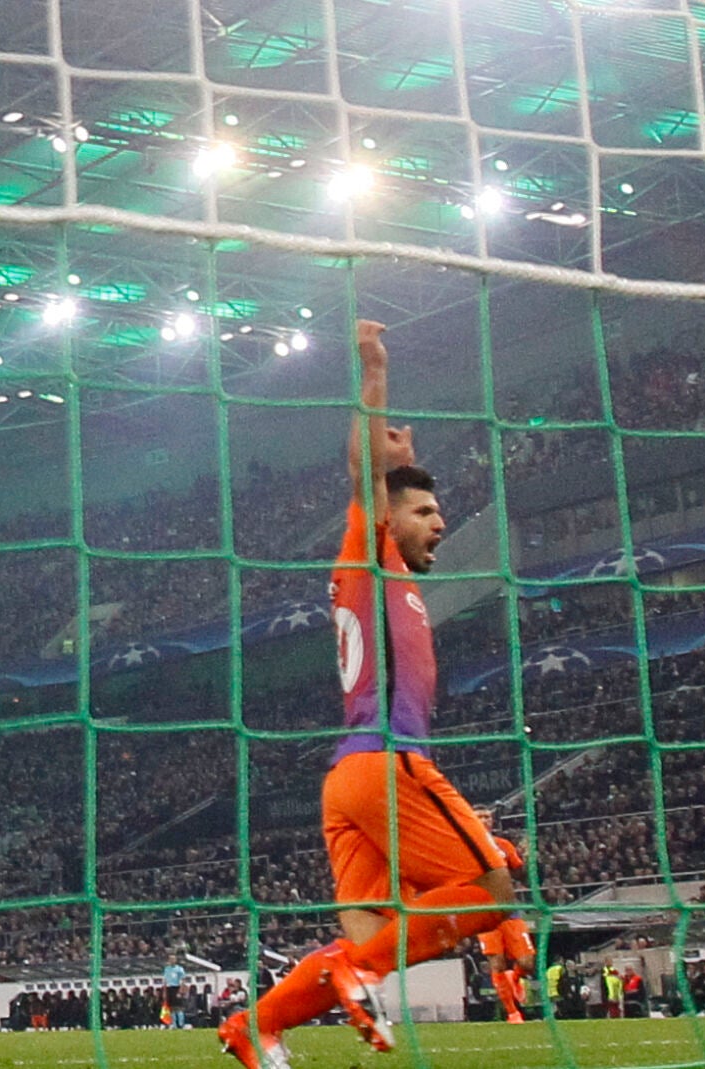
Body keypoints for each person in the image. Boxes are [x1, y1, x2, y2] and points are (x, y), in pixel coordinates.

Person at [220, 320, 514, 1069]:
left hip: (350, 778)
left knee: (369, 929)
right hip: (386, 761)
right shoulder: (372, 551)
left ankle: (255, 1027)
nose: (439, 524)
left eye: (440, 516)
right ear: (390, 515)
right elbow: (361, 472)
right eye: (425, 512)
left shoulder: (399, 588)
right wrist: (375, 371)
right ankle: (366, 971)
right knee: (494, 883)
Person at [473, 807, 538, 1022]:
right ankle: (513, 1013)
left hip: (510, 910)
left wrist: (526, 860)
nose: (485, 820)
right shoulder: (464, 845)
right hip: (484, 913)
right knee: (497, 962)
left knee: (527, 962)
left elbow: (521, 876)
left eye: (488, 816)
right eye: (480, 816)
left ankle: (516, 976)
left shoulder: (503, 845)